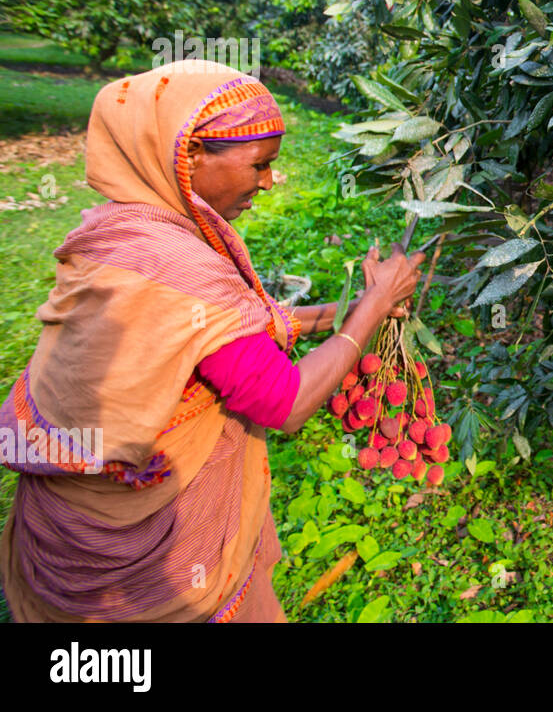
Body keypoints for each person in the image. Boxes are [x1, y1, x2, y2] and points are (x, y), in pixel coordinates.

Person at [0, 59, 425, 622]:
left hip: (68, 535)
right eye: (260, 165)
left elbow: (223, 336)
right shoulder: (179, 267)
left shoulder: (122, 231)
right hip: (152, 566)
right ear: (190, 155)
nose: (270, 181)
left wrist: (343, 313)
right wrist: (370, 308)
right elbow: (285, 402)